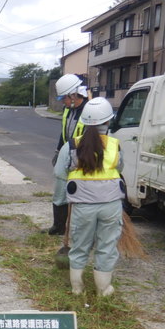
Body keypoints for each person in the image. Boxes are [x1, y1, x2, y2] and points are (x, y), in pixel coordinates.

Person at [54, 97, 124, 296]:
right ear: (108, 121)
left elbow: (59, 173)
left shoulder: (72, 146)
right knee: (107, 246)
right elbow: (120, 168)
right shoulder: (115, 145)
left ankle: (78, 289)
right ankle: (104, 289)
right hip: (111, 205)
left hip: (83, 205)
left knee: (80, 246)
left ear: (83, 121)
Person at [46, 74, 89, 235]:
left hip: (82, 158)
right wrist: (58, 151)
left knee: (79, 195)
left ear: (72, 95)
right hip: (66, 154)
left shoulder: (89, 111)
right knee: (60, 191)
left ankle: (80, 231)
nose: (61, 101)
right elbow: (63, 132)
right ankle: (58, 227)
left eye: (63, 98)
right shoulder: (68, 109)